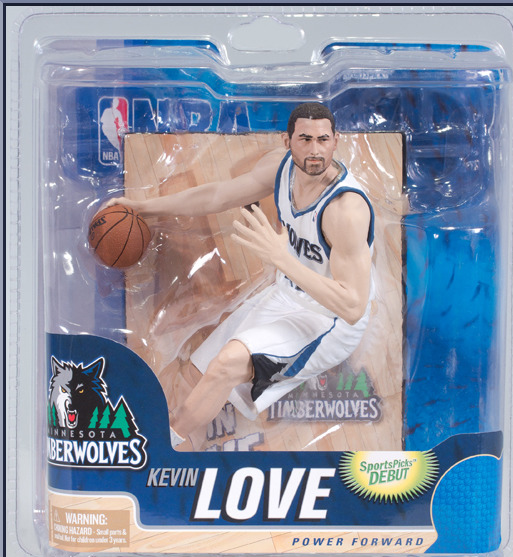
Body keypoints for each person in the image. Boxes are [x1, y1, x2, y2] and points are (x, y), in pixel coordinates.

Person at [105, 102, 375, 450]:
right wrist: (143, 209)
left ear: (336, 141)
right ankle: (182, 462)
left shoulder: (346, 210)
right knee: (191, 381)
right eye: (305, 139)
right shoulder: (281, 169)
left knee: (227, 364)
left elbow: (352, 306)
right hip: (288, 294)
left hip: (330, 321)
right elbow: (217, 196)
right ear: (287, 141)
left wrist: (282, 259)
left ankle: (161, 450)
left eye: (323, 139)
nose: (315, 150)